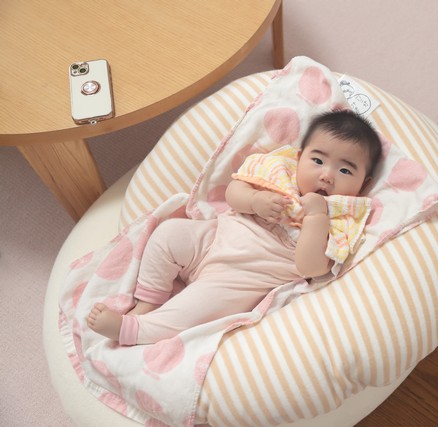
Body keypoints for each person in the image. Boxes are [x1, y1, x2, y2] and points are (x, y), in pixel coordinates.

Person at [87, 110, 382, 345]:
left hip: (243, 279)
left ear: (363, 184)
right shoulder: (278, 172)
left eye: (345, 170)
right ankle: (147, 302)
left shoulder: (343, 218)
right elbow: (233, 192)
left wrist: (316, 217)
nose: (327, 175)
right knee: (169, 233)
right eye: (317, 160)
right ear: (299, 157)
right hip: (215, 239)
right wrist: (254, 200)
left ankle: (136, 330)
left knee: (197, 308)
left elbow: (311, 267)